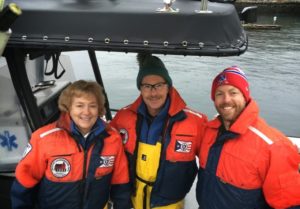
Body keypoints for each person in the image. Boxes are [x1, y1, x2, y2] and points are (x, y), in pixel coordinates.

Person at [11, 80, 131, 209]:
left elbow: (120, 183)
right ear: (68, 108)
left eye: (92, 106)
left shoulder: (113, 138)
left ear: (99, 108)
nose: (86, 112)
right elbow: (24, 183)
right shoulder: (43, 139)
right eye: (79, 105)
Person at [110, 53, 207, 209]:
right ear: (140, 88)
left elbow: (213, 164)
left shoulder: (196, 122)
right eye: (147, 86)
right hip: (132, 201)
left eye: (159, 85)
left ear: (168, 86)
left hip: (170, 204)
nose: (153, 93)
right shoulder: (122, 117)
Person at [196, 66, 300, 209]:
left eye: (233, 93)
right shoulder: (208, 132)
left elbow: (288, 204)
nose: (226, 100)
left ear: (245, 96)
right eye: (219, 94)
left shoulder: (274, 146)